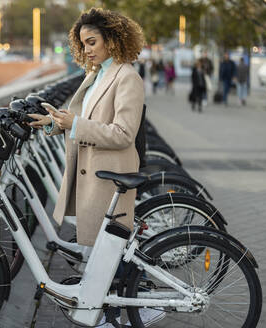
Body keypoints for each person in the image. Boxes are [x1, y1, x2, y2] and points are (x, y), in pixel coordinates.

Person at [28, 7, 165, 327]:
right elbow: (86, 121)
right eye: (83, 43)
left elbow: (122, 134)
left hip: (111, 172)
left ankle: (131, 310)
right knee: (109, 248)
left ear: (113, 40)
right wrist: (52, 122)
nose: (86, 49)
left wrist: (74, 124)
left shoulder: (127, 77)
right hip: (96, 172)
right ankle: (117, 310)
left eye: (92, 42)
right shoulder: (97, 73)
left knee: (113, 247)